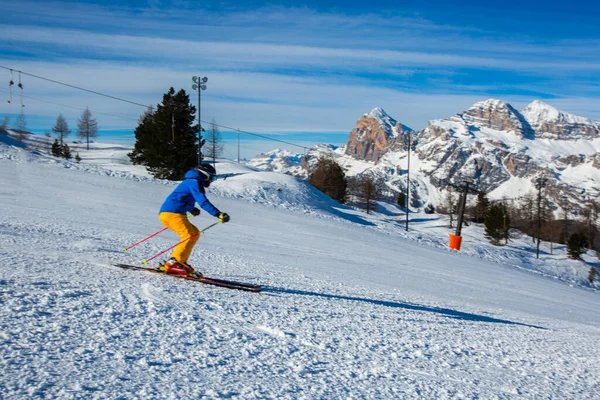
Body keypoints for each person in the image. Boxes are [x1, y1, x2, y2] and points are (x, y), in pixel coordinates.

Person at [157, 163, 230, 277]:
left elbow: (180, 199)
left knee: (194, 234)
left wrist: (191, 209)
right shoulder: (194, 182)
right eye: (212, 178)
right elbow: (202, 201)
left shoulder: (190, 182)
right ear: (205, 175)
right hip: (173, 214)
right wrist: (218, 213)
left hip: (170, 213)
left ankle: (180, 262)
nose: (211, 181)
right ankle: (174, 263)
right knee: (188, 235)